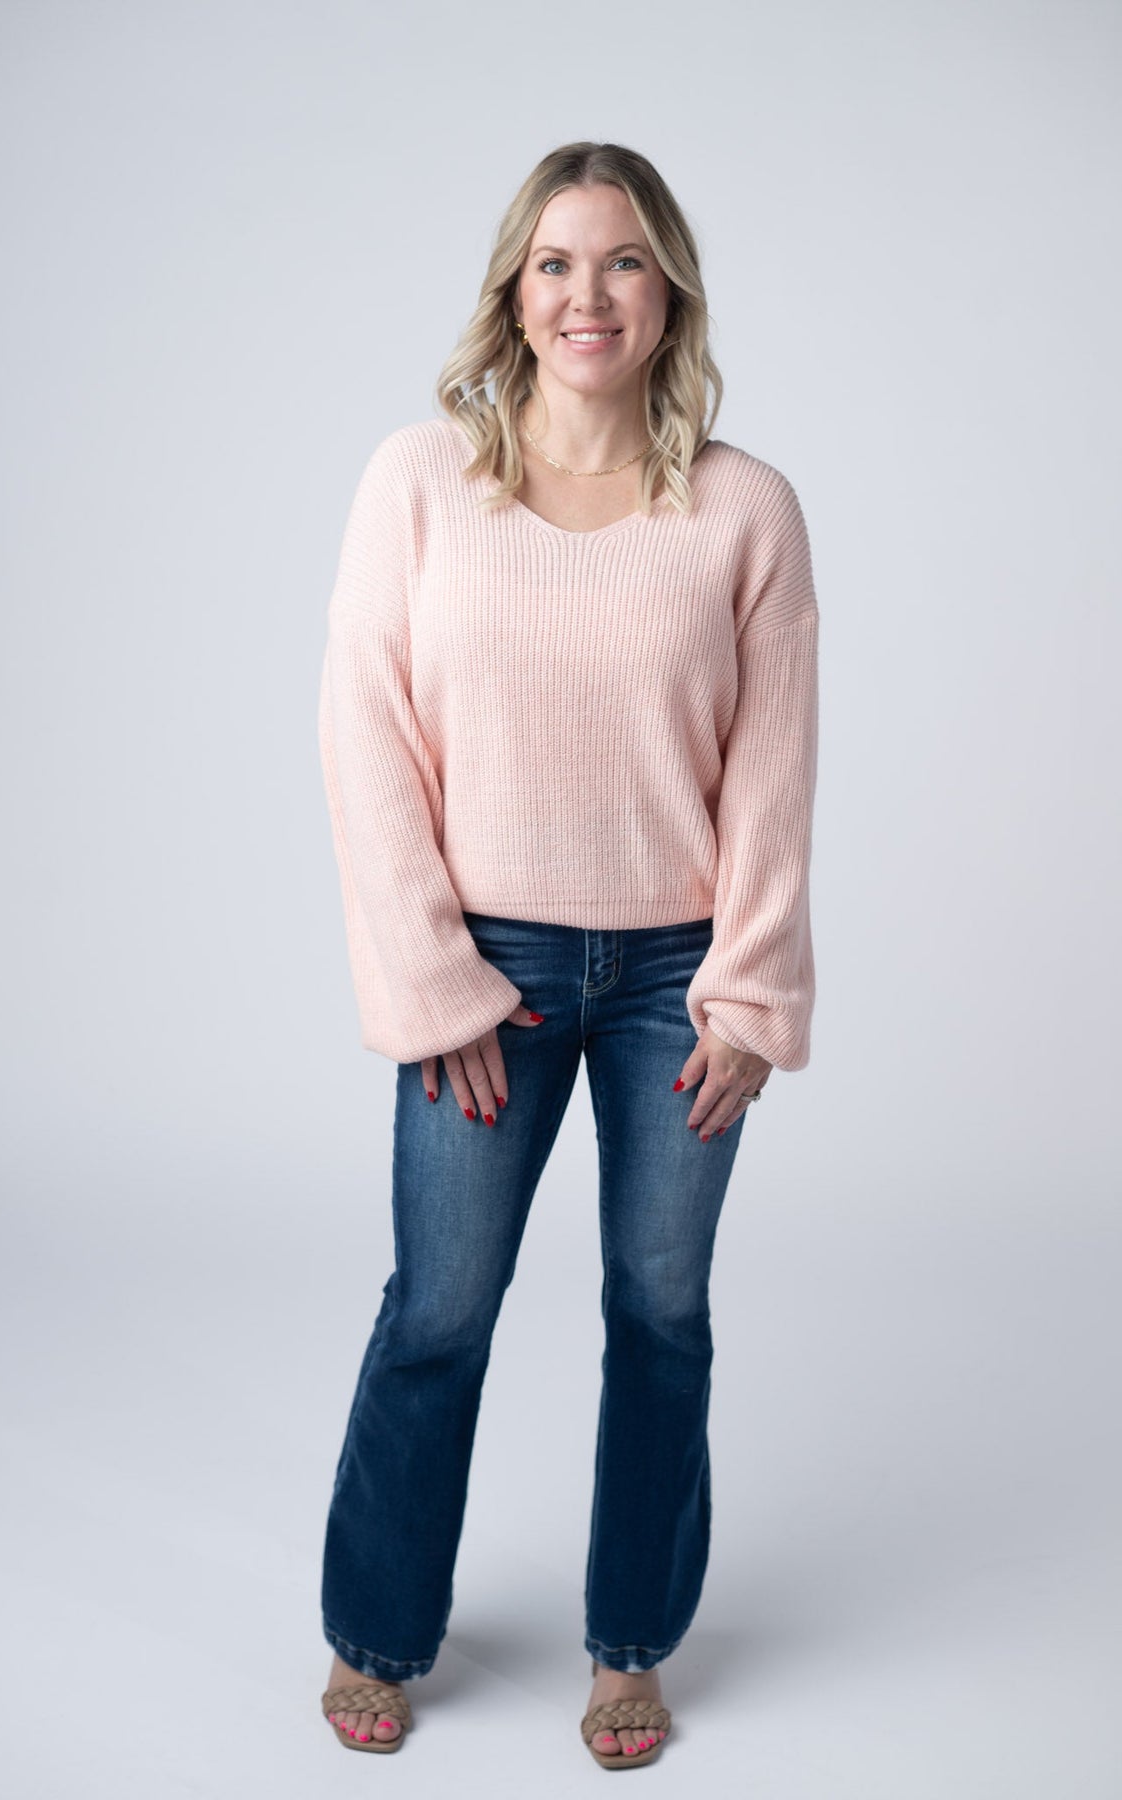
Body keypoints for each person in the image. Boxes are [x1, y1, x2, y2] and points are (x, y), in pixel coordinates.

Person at [315, 140, 820, 1768]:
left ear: (668, 291)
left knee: (661, 1312)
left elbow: (774, 771)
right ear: (513, 293)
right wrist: (435, 979)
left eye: (620, 260)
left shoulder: (745, 508)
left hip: (678, 975)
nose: (585, 294)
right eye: (553, 262)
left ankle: (630, 1646)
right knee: (440, 1308)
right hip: (489, 966)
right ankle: (378, 1631)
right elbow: (365, 735)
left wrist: (749, 992)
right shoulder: (420, 482)